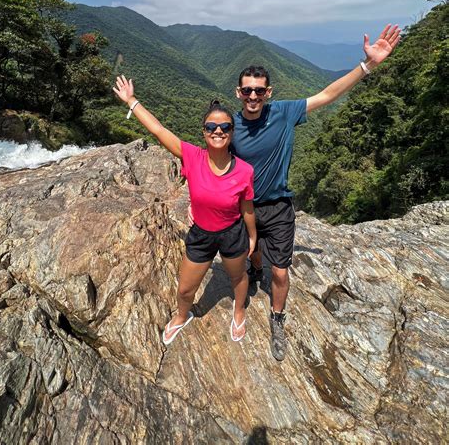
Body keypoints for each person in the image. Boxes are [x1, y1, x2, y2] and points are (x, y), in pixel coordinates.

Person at [231, 24, 401, 361]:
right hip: (244, 207)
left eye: (259, 91)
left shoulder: (284, 112)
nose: (253, 97)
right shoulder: (228, 124)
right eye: (247, 91)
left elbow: (328, 95)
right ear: (238, 92)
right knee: (253, 253)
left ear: (269, 92)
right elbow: (210, 161)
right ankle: (254, 271)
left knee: (280, 272)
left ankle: (277, 319)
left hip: (278, 206)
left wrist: (367, 65)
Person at [113, 75, 257, 345]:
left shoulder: (244, 171)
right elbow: (158, 129)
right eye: (211, 127)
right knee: (185, 288)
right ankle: (182, 315)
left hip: (232, 233)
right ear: (203, 132)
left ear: (232, 132)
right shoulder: (192, 156)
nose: (218, 131)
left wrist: (252, 235)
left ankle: (239, 311)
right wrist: (131, 101)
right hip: (201, 234)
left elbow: (246, 206)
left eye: (224, 126)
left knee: (238, 276)